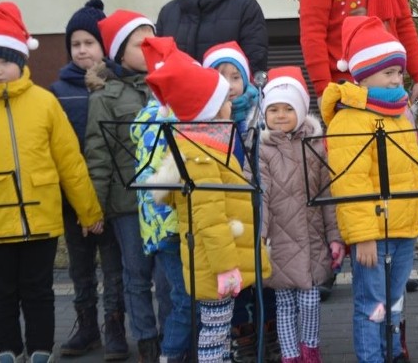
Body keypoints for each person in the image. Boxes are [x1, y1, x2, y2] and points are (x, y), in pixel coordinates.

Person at [0, 1, 104, 363]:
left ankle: (39, 349)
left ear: (20, 60)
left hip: (40, 218)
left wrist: (88, 211)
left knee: (38, 291)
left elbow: (70, 162)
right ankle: (7, 350)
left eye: (4, 61)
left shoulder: (45, 103)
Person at [144, 52, 272, 363]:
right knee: (214, 336)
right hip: (214, 268)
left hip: (212, 264)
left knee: (218, 333)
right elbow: (210, 221)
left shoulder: (209, 146)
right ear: (211, 110)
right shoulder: (202, 157)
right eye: (224, 99)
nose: (231, 101)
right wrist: (226, 268)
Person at [320, 15, 418, 363]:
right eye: (388, 73)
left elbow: (411, 170)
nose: (397, 79)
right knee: (372, 305)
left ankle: (393, 353)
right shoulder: (349, 118)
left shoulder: (399, 114)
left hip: (403, 227)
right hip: (373, 233)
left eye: (399, 72)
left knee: (395, 303)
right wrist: (362, 235)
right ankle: (372, 358)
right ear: (363, 75)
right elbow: (350, 184)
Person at [84, 9, 170, 363]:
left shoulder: (165, 85)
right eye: (140, 43)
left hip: (165, 200)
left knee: (167, 277)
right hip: (126, 204)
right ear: (119, 53)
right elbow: (98, 155)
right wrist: (95, 209)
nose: (150, 47)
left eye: (153, 39)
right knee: (137, 276)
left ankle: (171, 337)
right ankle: (146, 340)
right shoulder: (104, 97)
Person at [245, 66, 344, 363]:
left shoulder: (315, 146)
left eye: (288, 108)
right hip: (277, 241)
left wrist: (335, 238)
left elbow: (327, 196)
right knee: (284, 303)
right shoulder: (260, 150)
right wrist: (258, 240)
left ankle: (309, 349)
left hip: (311, 239)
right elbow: (257, 198)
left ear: (300, 111)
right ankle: (290, 355)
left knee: (311, 300)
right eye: (273, 109)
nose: (279, 115)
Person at [50, 0, 128, 359]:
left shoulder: (117, 85)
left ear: (104, 47)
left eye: (89, 43)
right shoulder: (58, 91)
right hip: (71, 197)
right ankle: (86, 327)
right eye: (76, 44)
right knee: (80, 268)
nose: (82, 51)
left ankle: (115, 327)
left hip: (111, 195)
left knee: (114, 267)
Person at [202, 41, 281, 362]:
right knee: (234, 277)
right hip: (227, 212)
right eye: (221, 78)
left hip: (258, 207)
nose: (230, 86)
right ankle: (241, 333)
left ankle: (269, 331)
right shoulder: (206, 120)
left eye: (236, 77)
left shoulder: (257, 116)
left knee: (263, 274)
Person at [128, 36, 191, 363]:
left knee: (184, 296)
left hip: (164, 226)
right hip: (170, 225)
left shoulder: (157, 115)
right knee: (186, 298)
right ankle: (170, 355)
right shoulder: (165, 119)